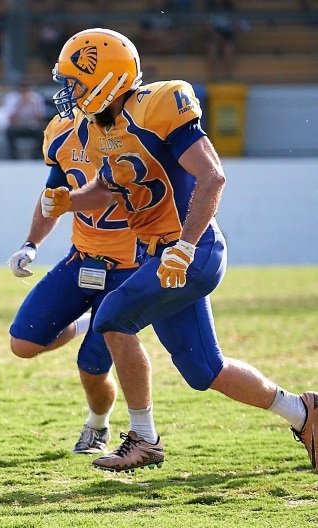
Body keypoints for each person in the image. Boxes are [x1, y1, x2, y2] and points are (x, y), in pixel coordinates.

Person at [41, 28, 317, 473]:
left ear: (106, 80)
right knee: (205, 370)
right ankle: (304, 413)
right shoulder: (96, 130)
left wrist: (184, 247)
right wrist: (69, 200)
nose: (68, 93)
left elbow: (212, 177)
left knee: (112, 314)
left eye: (75, 82)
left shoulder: (159, 105)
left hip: (194, 251)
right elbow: (112, 187)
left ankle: (144, 439)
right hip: (160, 256)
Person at [8, 109, 142, 454]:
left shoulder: (137, 128)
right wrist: (31, 244)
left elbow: (110, 193)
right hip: (82, 258)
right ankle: (86, 324)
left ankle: (98, 427)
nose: (73, 90)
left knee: (92, 368)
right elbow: (53, 193)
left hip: (130, 267)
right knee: (22, 343)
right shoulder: (63, 132)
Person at [3, 79, 47, 159]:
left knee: (43, 131)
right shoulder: (11, 98)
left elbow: (41, 119)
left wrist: (35, 106)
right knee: (9, 131)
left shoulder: (36, 97)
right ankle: (13, 156)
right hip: (17, 127)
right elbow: (10, 119)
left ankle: (37, 155)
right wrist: (20, 103)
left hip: (31, 126)